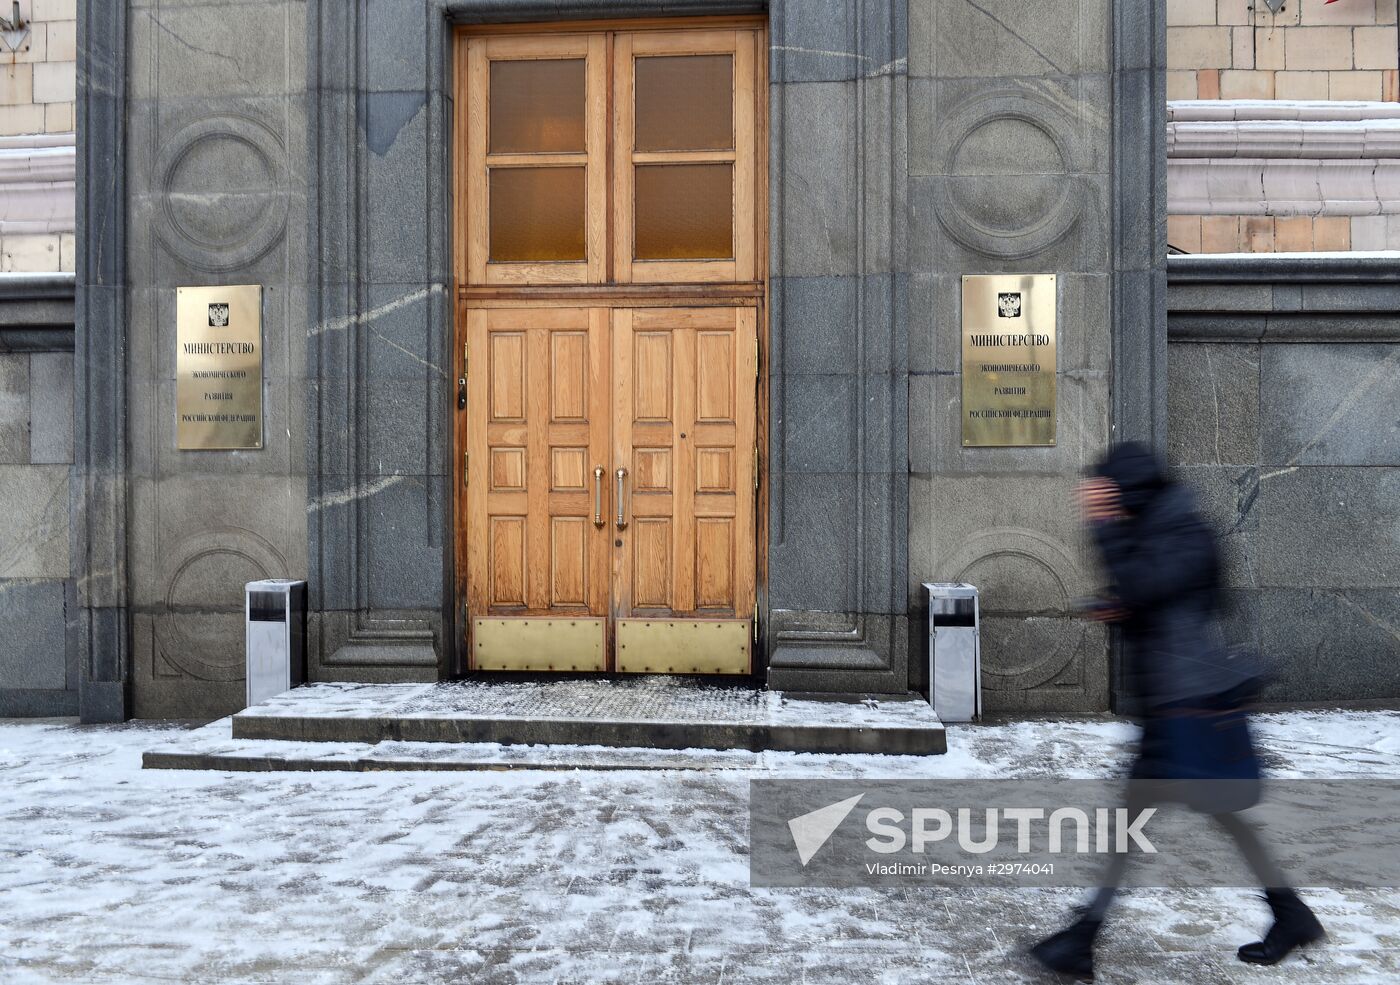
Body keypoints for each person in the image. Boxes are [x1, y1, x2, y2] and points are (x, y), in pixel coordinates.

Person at [1028, 442, 1324, 980]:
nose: (1105, 504)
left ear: (1130, 490)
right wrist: (1120, 606)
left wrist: (1103, 526)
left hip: (1186, 707)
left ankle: (1081, 940)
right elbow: (1151, 599)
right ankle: (1291, 915)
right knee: (1196, 818)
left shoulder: (1184, 532)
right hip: (1172, 704)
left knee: (1143, 822)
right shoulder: (1162, 529)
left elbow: (1147, 585)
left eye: (1111, 494)